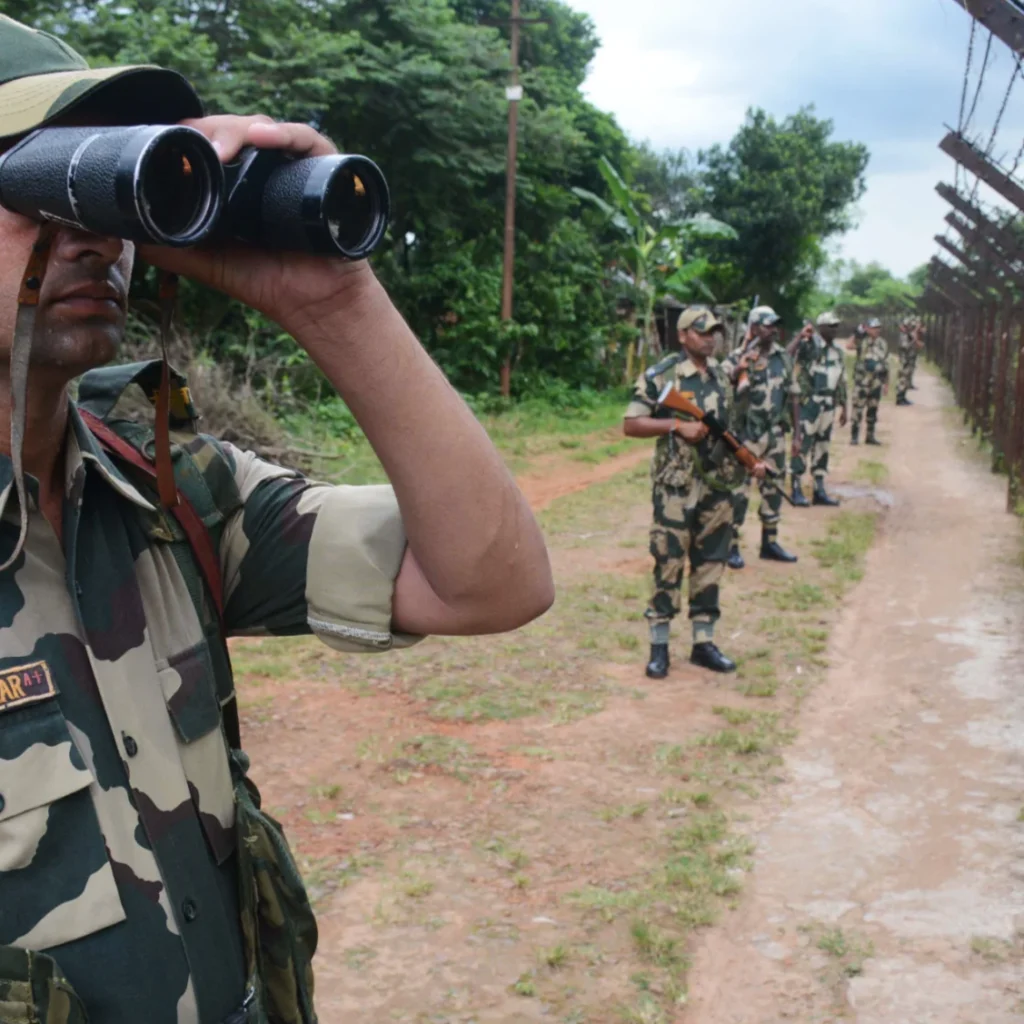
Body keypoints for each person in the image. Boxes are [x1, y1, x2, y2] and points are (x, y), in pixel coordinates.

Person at [0, 15, 554, 1024]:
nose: (90, 233)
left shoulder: (164, 489)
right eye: (36, 187)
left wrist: (332, 300)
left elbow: (491, 580)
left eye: (103, 189)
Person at [623, 308, 766, 679]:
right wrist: (675, 426)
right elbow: (631, 423)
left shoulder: (722, 375)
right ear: (683, 335)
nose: (710, 338)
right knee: (668, 562)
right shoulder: (662, 375)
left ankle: (704, 643)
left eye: (714, 332)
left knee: (712, 563)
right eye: (702, 332)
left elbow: (729, 429)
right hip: (675, 488)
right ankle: (659, 648)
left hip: (717, 487)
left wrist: (752, 461)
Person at [722, 305, 800, 569]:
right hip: (746, 434)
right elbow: (719, 388)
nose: (773, 330)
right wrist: (737, 371)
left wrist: (797, 434)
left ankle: (770, 542)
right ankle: (730, 546)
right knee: (738, 492)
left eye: (774, 325)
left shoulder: (783, 357)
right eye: (767, 325)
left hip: (775, 434)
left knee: (774, 488)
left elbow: (793, 395)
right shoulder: (737, 357)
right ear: (753, 328)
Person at [787, 310, 848, 506]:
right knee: (802, 444)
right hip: (810, 403)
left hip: (828, 404)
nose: (835, 329)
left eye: (836, 326)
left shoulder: (837, 352)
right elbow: (788, 354)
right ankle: (796, 488)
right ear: (821, 328)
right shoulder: (810, 346)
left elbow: (841, 381)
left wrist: (844, 406)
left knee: (823, 446)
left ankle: (819, 489)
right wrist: (801, 336)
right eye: (830, 326)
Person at [850, 316, 889, 445]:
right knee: (857, 409)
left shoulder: (882, 343)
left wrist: (886, 383)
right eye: (874, 328)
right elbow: (849, 345)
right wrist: (858, 332)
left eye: (878, 328)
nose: (877, 330)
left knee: (873, 409)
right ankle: (854, 436)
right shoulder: (862, 340)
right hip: (862, 381)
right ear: (868, 329)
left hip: (876, 382)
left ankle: (870, 436)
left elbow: (886, 363)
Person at [896, 316, 925, 405]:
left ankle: (903, 397)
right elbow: (905, 347)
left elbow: (918, 345)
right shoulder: (904, 336)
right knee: (903, 379)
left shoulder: (909, 335)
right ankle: (900, 398)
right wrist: (913, 340)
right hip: (905, 361)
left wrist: (914, 339)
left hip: (909, 360)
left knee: (906, 379)